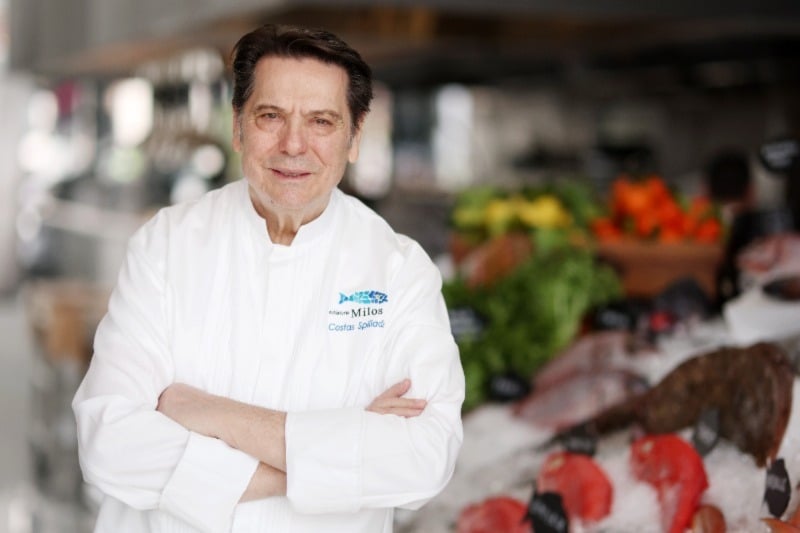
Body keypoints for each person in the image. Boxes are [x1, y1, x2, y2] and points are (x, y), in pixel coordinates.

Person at [72, 24, 465, 533]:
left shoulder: (399, 270)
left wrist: (208, 412)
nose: (293, 144)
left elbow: (424, 458)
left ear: (355, 135)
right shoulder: (165, 246)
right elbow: (108, 443)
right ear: (237, 126)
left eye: (321, 121)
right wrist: (334, 459)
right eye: (270, 116)